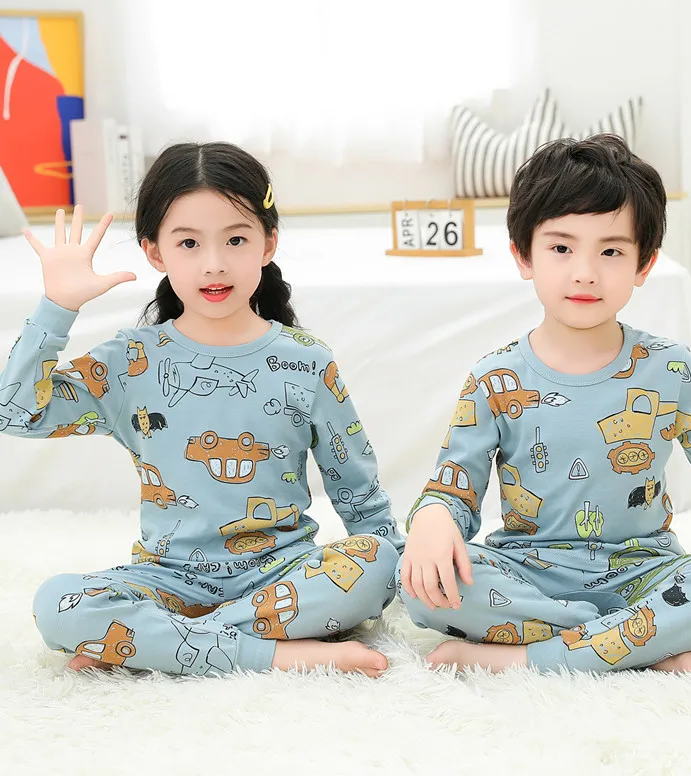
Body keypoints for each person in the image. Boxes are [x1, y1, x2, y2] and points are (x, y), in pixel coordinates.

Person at [1, 142, 400, 677]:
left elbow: (359, 493)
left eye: (236, 239)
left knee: (376, 563)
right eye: (189, 242)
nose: (214, 264)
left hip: (283, 574)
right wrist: (57, 308)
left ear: (268, 243)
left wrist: (395, 572)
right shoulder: (132, 361)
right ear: (155, 253)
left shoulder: (307, 361)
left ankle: (163, 644)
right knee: (57, 605)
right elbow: (15, 412)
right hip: (167, 581)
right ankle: (277, 654)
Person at [398, 134, 691, 674]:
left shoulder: (670, 368)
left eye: (611, 251)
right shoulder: (495, 378)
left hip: (646, 576)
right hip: (526, 576)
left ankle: (530, 659)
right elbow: (454, 487)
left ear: (644, 265)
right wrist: (432, 518)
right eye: (561, 248)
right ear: (523, 255)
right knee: (417, 583)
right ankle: (644, 641)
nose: (585, 271)